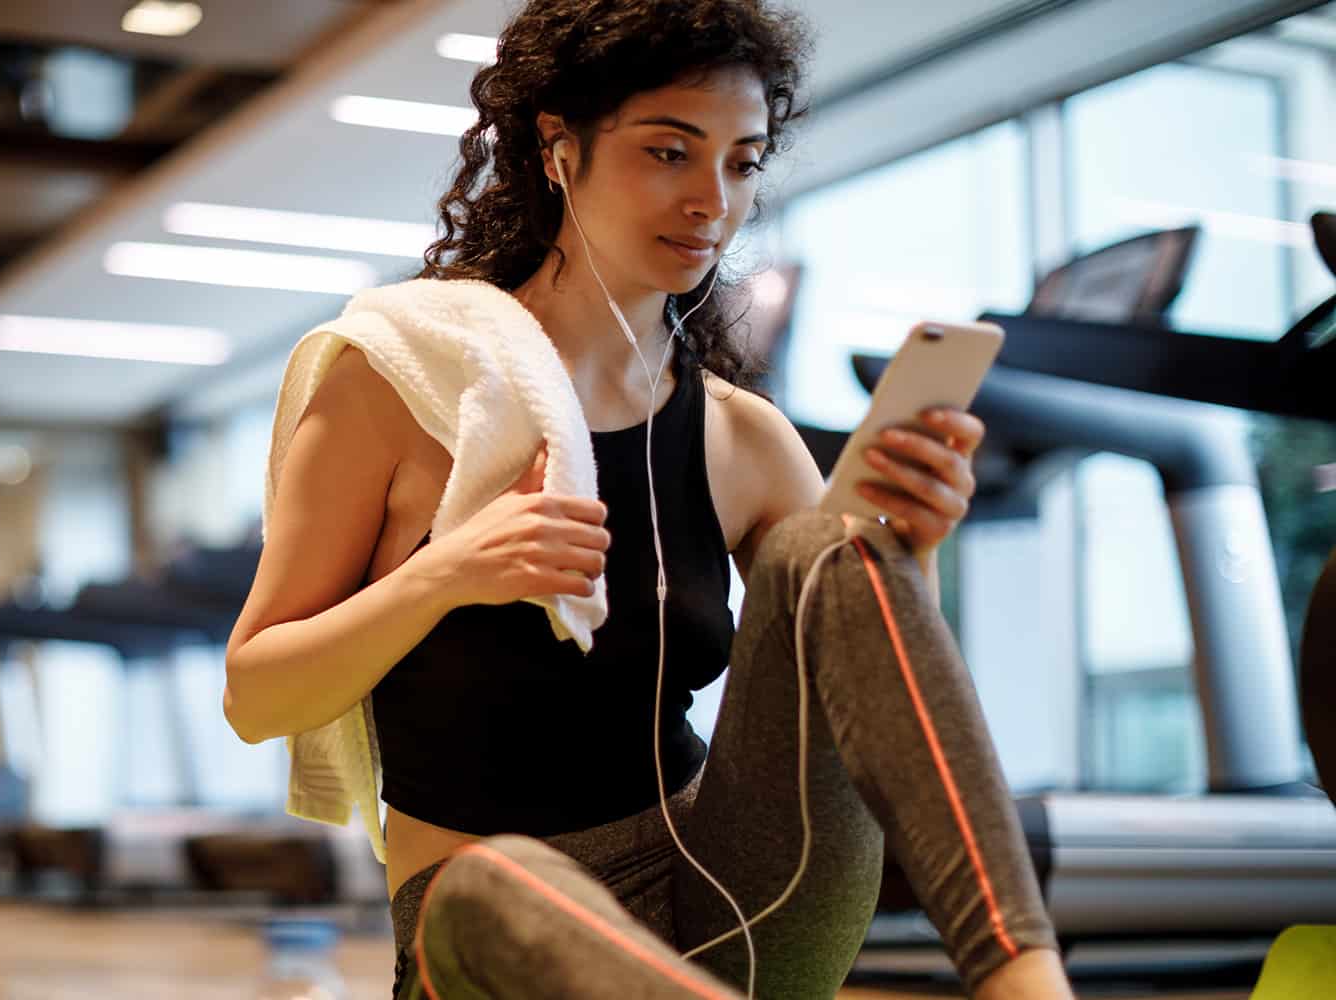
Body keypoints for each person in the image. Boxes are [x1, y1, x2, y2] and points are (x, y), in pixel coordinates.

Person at [225, 1, 1072, 997]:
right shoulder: (400, 387)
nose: (712, 199)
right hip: (497, 932)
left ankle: (1028, 980)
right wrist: (450, 572)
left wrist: (910, 551)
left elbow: (859, 694)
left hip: (732, 897)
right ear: (559, 150)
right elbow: (255, 693)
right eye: (670, 152)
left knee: (828, 551)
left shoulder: (740, 437)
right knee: (492, 881)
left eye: (742, 162)